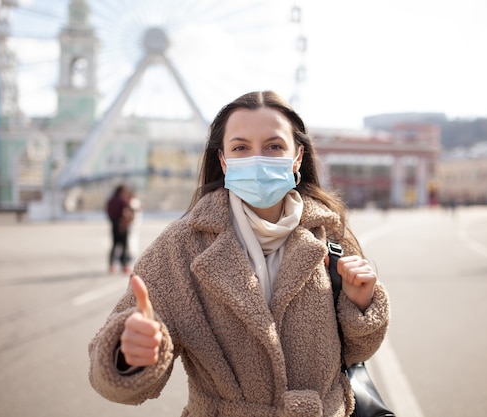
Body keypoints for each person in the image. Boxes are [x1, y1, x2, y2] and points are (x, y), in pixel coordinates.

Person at [88, 91, 390, 416]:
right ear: (223, 161)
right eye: (241, 147)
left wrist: (361, 304)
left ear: (298, 157)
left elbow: (356, 352)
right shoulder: (181, 247)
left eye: (274, 146)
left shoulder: (331, 235)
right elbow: (109, 370)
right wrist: (130, 353)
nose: (256, 159)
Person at [106, 184, 134, 274]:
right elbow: (129, 210)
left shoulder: (110, 200)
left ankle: (111, 266)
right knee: (124, 246)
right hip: (122, 224)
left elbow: (108, 212)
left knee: (114, 245)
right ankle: (124, 265)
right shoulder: (123, 200)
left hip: (113, 224)